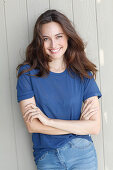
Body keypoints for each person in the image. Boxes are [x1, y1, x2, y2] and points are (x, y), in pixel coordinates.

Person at [16, 9, 102, 170]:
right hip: (47, 157)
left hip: (82, 154)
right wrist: (78, 126)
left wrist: (49, 122)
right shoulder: (26, 74)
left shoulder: (83, 73)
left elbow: (94, 127)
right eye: (46, 39)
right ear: (38, 42)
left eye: (58, 36)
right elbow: (33, 126)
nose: (53, 45)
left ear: (68, 37)